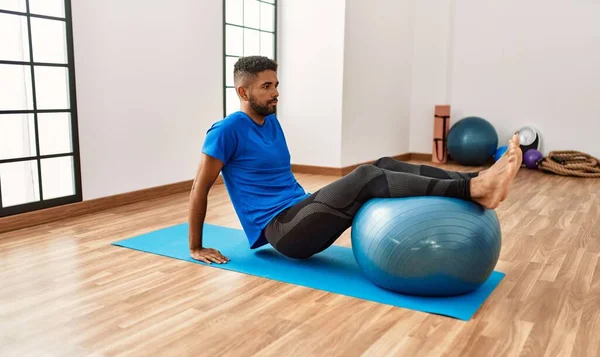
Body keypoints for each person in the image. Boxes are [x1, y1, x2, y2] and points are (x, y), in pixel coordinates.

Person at [188, 56, 522, 265]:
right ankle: (476, 189)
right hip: (284, 231)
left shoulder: (271, 120)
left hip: (300, 211)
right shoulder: (226, 130)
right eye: (266, 86)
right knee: (366, 176)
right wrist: (196, 246)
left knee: (385, 163)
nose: (276, 92)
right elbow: (199, 188)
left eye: (276, 84)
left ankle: (477, 177)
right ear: (243, 93)